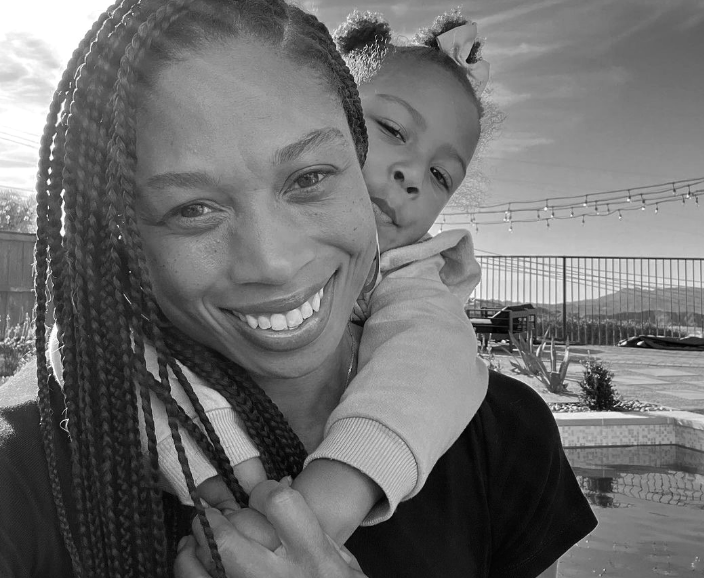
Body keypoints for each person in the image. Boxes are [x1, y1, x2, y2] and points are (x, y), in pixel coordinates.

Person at [0, 1, 597, 578]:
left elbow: (432, 358)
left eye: (310, 176)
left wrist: (310, 523)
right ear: (120, 232)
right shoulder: (32, 461)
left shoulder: (500, 431)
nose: (275, 262)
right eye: (192, 208)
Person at [42, 7, 496, 546]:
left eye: (442, 175)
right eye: (393, 130)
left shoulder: (420, 281)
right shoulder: (31, 463)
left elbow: (430, 366)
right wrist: (222, 475)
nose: (411, 176)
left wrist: (330, 500)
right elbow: (90, 342)